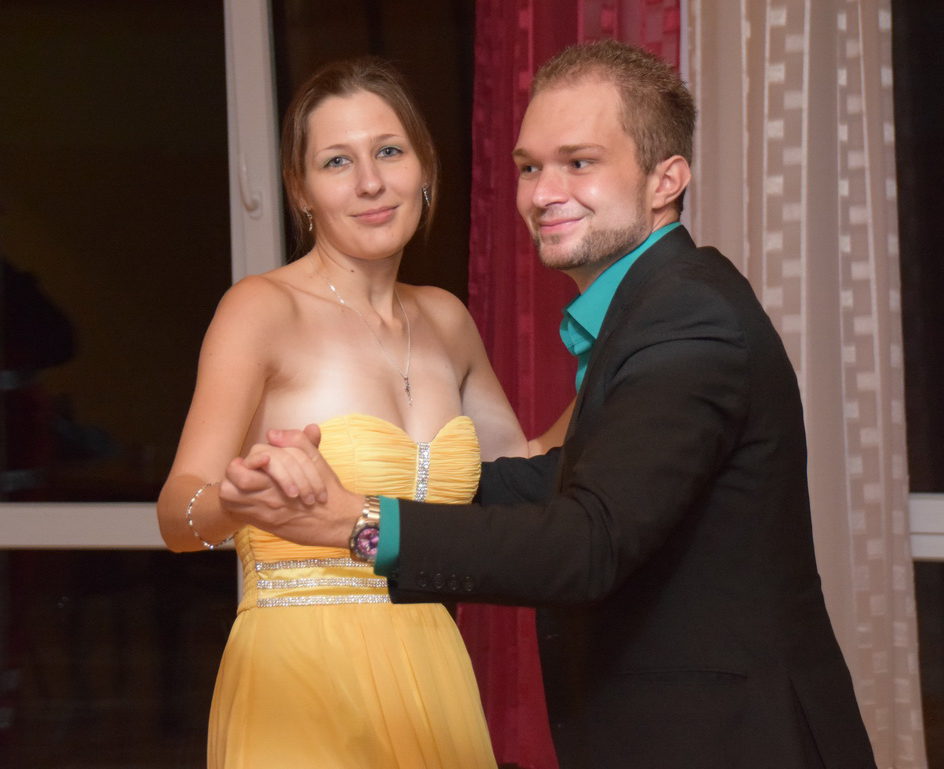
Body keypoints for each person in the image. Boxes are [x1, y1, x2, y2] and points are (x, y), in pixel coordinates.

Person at [250, 41, 879, 768]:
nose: (543, 193)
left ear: (665, 179)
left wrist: (358, 524)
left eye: (579, 163)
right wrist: (376, 482)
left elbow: (585, 543)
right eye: (529, 167)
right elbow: (558, 479)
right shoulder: (655, 308)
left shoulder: (688, 320)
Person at [157, 56, 562, 769]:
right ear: (301, 190)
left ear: (424, 166)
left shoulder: (445, 319)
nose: (370, 182)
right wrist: (235, 502)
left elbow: (525, 473)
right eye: (337, 161)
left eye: (389, 151)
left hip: (432, 675)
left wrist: (622, 362)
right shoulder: (261, 309)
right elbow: (177, 515)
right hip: (300, 677)